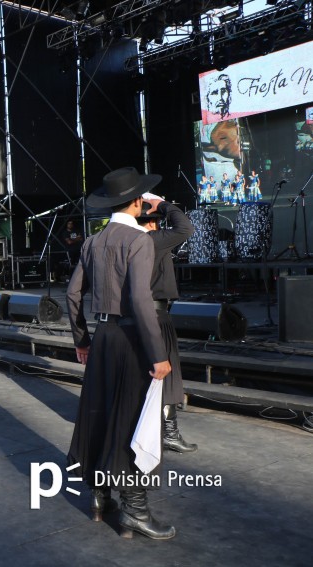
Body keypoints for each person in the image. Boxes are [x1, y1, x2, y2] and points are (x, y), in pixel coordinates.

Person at [65, 167, 174, 540]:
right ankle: (135, 511)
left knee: (101, 415)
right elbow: (141, 301)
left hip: (103, 337)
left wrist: (81, 338)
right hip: (131, 339)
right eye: (142, 196)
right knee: (130, 421)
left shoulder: (92, 242)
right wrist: (157, 354)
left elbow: (72, 293)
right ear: (136, 201)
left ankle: (99, 498)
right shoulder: (139, 240)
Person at [136, 198, 198, 454]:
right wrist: (165, 205)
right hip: (156, 314)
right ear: (153, 221)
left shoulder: (127, 241)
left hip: (134, 316)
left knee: (145, 376)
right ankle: (169, 433)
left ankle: (148, 430)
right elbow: (185, 228)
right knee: (167, 376)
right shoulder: (152, 240)